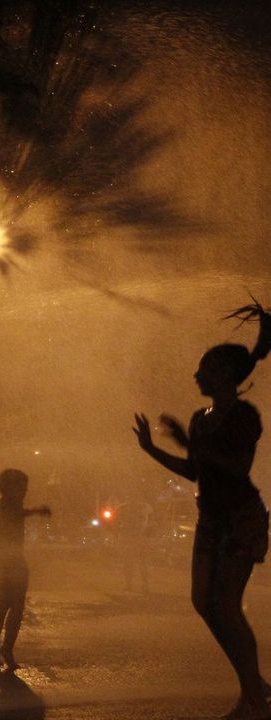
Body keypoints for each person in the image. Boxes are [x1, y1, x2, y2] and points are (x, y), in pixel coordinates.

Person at [133, 299, 271, 720]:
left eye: (204, 368)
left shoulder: (243, 415)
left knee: (226, 605)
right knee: (202, 602)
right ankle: (255, 686)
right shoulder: (200, 417)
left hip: (241, 518)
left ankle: (253, 696)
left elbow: (236, 467)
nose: (196, 374)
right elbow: (195, 470)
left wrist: (188, 444)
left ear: (225, 374)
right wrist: (152, 449)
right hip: (211, 517)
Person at [0, 468, 51, 672]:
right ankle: (1, 646)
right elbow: (13, 518)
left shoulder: (2, 507)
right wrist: (37, 511)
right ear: (7, 488)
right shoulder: (5, 508)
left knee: (7, 603)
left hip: (4, 558)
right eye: (21, 487)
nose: (24, 491)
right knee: (12, 603)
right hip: (7, 559)